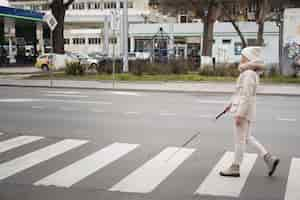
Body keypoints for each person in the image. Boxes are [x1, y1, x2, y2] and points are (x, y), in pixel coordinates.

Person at [220, 47, 280, 178]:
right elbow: (241, 93)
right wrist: (230, 105)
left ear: (248, 58)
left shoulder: (248, 74)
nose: (241, 58)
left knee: (239, 140)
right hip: (245, 110)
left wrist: (240, 114)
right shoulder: (250, 73)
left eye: (243, 56)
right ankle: (269, 158)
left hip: (243, 112)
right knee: (247, 138)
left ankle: (235, 167)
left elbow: (246, 96)